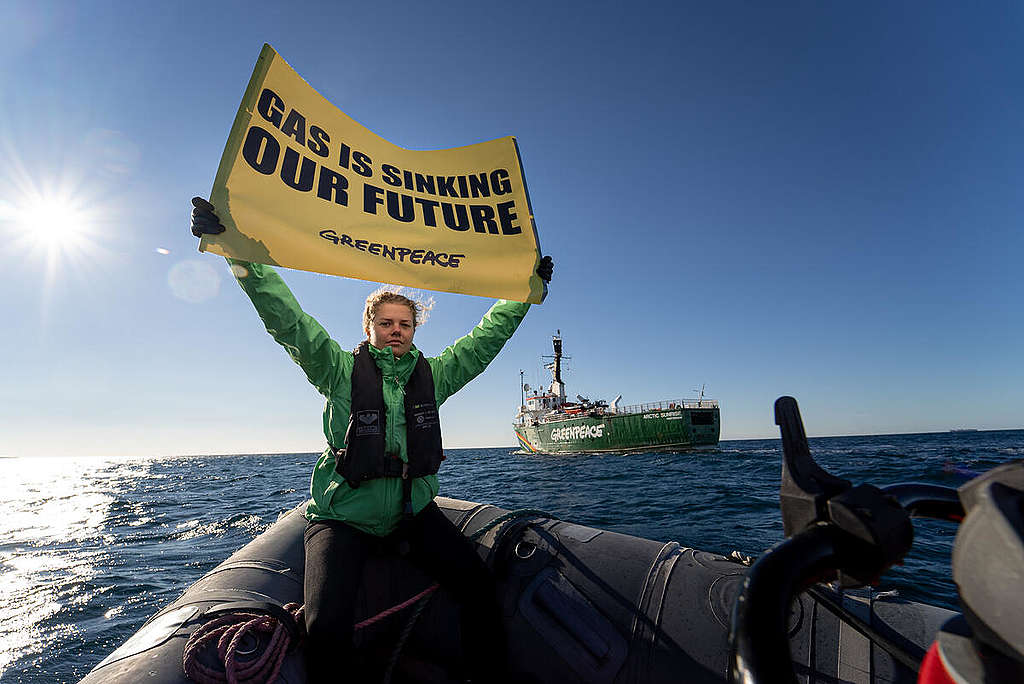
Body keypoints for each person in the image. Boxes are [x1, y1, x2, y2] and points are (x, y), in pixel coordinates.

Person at [190, 197, 553, 682]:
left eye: (404, 324)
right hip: (343, 518)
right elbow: (288, 321)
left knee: (478, 587)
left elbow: (486, 339)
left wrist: (526, 292)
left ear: (414, 330)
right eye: (386, 323)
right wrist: (238, 254)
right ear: (370, 328)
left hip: (412, 516)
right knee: (325, 624)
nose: (396, 330)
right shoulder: (338, 370)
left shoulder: (435, 375)